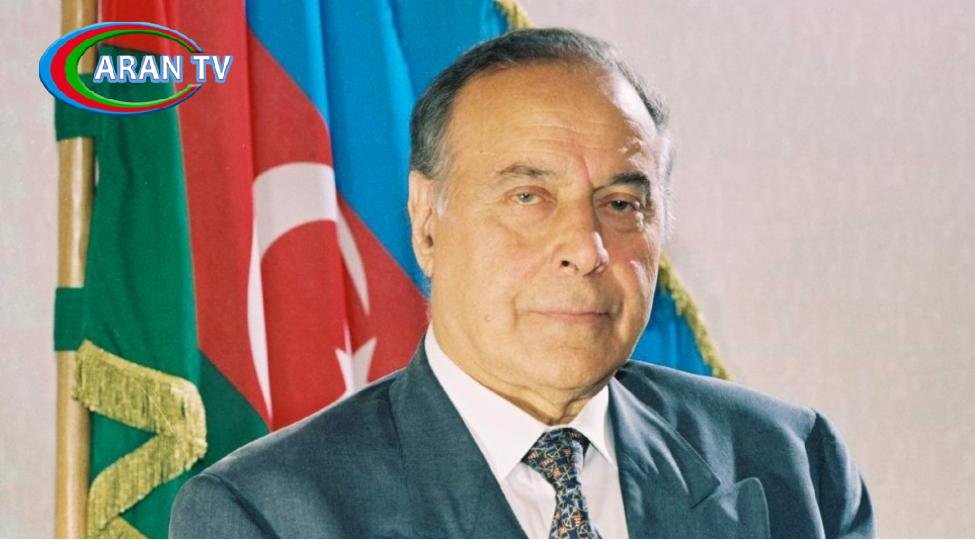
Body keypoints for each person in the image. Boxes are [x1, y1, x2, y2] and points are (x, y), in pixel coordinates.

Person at [170, 28, 874, 538]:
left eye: (620, 204)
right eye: (528, 197)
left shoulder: (790, 462)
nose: (586, 249)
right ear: (427, 224)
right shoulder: (268, 514)